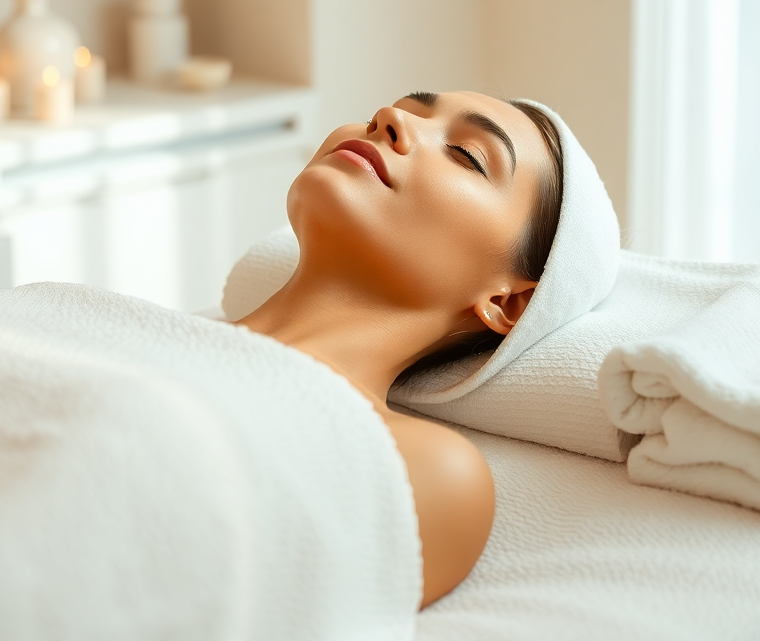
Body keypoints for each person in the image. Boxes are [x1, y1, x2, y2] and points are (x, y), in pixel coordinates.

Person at [240, 90, 564, 607]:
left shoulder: (417, 468)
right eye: (389, 111)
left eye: (467, 155)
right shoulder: (127, 327)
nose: (389, 120)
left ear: (510, 302)